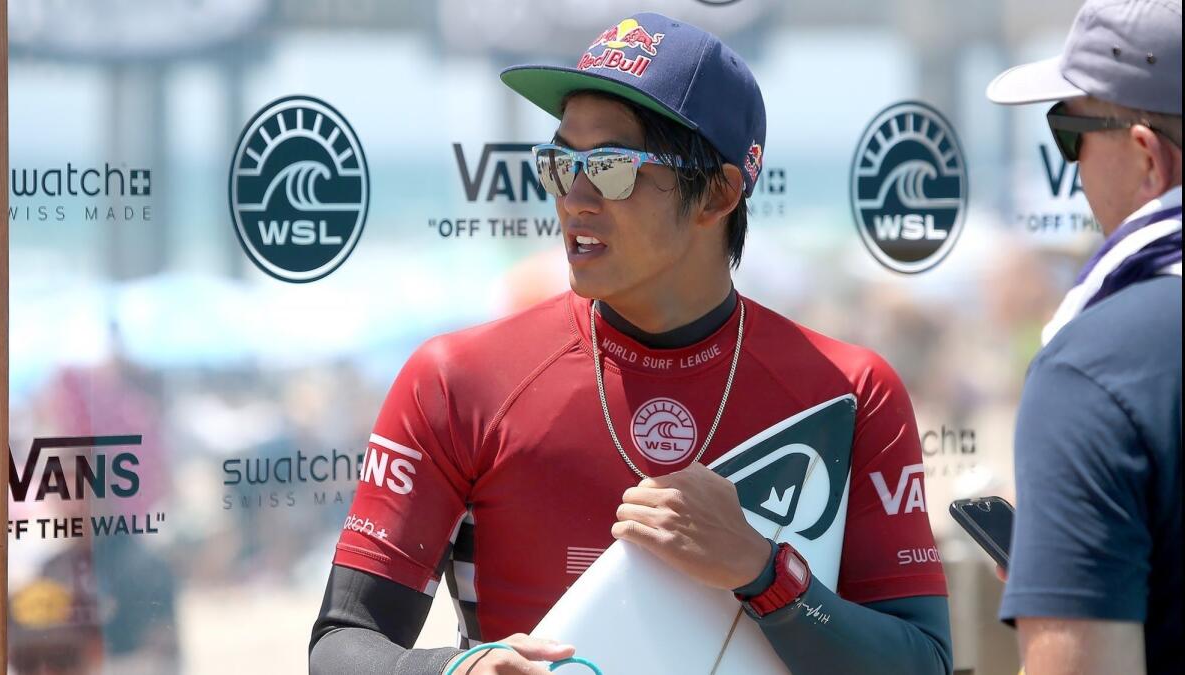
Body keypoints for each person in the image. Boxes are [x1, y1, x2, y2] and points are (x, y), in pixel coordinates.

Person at [311, 13, 951, 674]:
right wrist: (459, 670)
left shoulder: (849, 391)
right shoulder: (455, 382)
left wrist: (765, 574)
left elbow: (923, 662)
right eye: (561, 163)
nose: (574, 198)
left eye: (613, 168)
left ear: (720, 193)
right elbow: (342, 643)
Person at [986, 1, 1182, 673]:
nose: (1071, 169)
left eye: (1070, 132)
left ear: (1146, 158)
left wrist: (1065, 582)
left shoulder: (1094, 368)